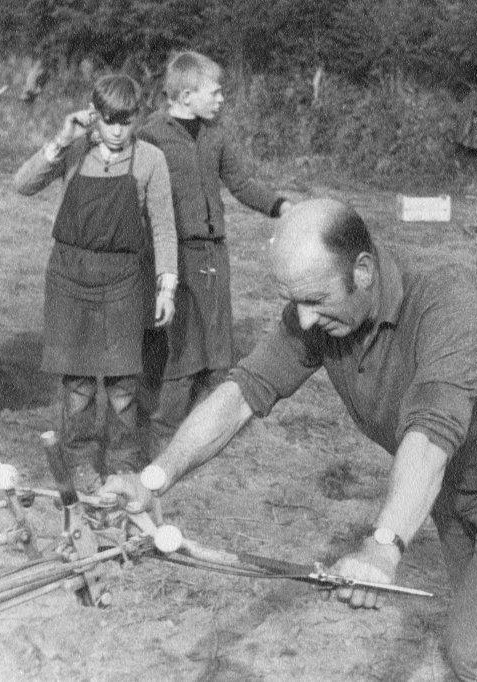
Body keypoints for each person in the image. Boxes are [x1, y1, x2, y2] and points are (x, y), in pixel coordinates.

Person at [103, 198, 477, 681]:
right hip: (449, 473)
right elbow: (243, 393)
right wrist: (154, 479)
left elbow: (431, 434)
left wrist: (383, 547)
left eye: (315, 300)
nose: (305, 321)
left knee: (474, 649)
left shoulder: (447, 302)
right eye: (295, 302)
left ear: (364, 270)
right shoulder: (319, 312)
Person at [13, 74, 178, 486]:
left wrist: (167, 286)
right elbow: (22, 184)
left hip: (123, 281)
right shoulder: (74, 153)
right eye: (109, 120)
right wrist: (60, 139)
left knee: (123, 384)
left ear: (137, 117)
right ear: (93, 116)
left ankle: (123, 463)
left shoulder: (150, 159)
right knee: (79, 384)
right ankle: (81, 460)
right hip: (70, 279)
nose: (118, 130)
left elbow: (163, 227)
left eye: (126, 120)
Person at [136, 50, 292, 453]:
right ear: (186, 95)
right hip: (172, 254)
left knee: (218, 339)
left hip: (213, 252)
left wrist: (281, 206)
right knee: (181, 341)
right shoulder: (151, 134)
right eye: (216, 92)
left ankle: (210, 428)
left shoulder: (216, 134)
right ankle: (164, 430)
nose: (222, 100)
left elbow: (241, 183)